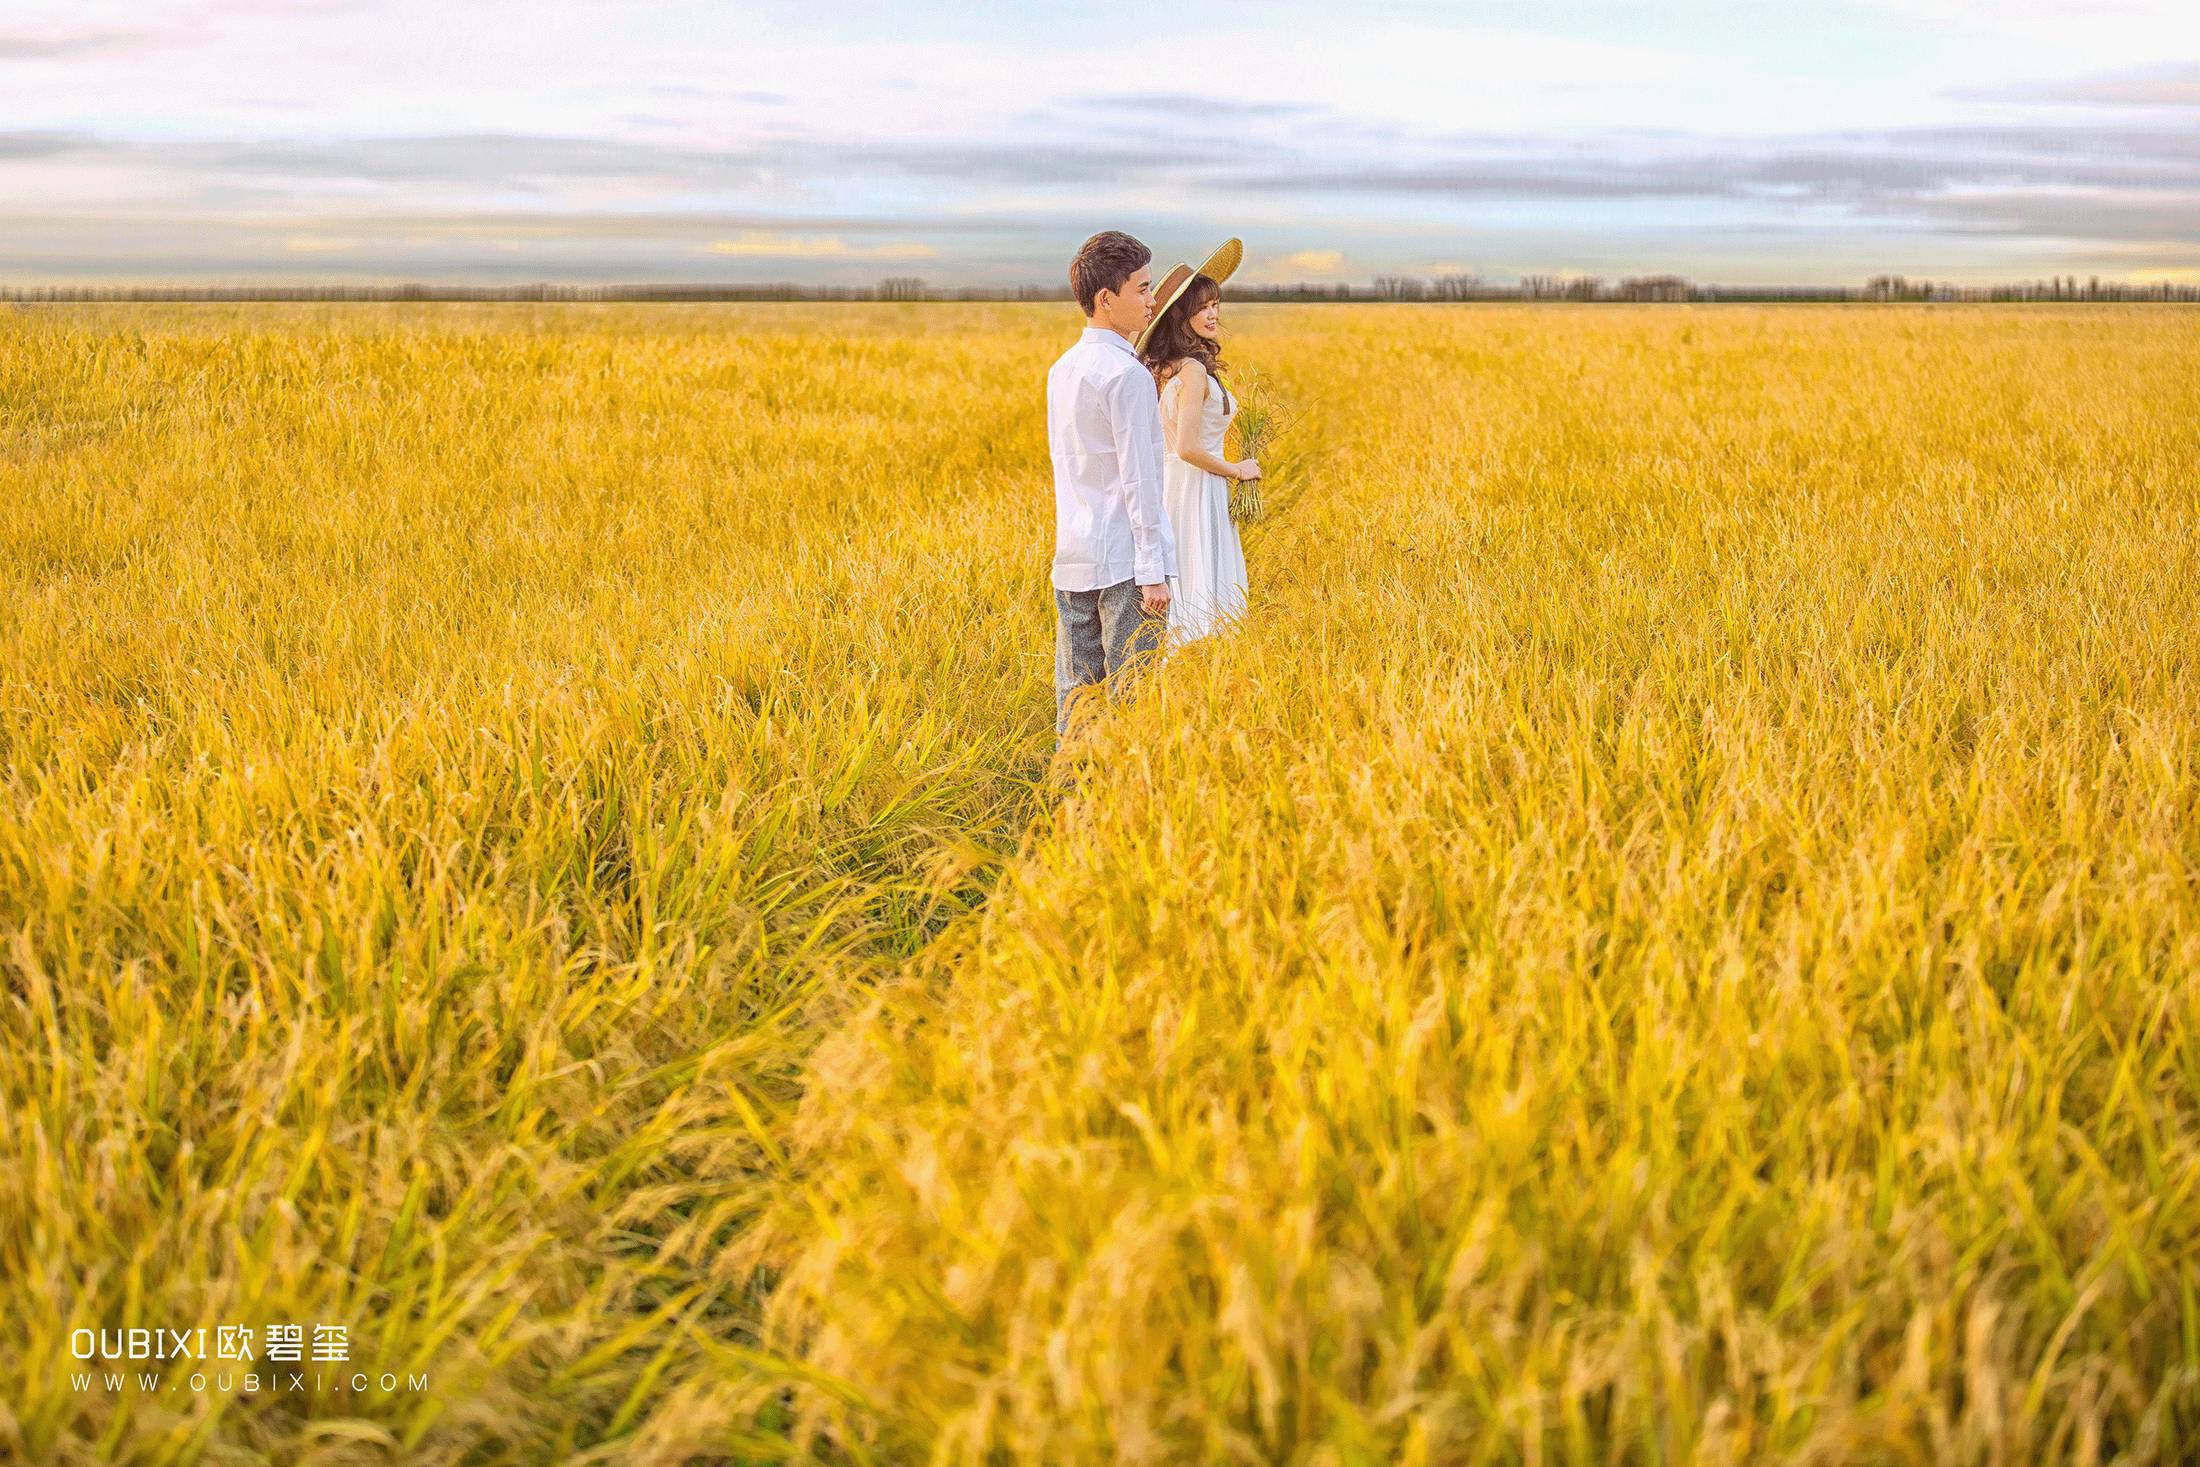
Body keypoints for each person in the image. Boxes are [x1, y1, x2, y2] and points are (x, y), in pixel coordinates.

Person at [1047, 230, 1176, 743]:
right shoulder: (1127, 375)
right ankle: (1122, 811)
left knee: (1076, 705)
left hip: (1073, 558)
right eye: (1142, 289)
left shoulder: (1063, 369)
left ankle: (1070, 809)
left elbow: (1068, 466)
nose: (1151, 301)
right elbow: (1140, 480)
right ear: (1107, 299)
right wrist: (1154, 572)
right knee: (1132, 705)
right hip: (1126, 565)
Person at [1136, 238, 1255, 645]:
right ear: (1180, 316)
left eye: (1216, 305)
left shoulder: (1164, 368)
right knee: (1204, 588)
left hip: (1174, 486)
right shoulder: (1191, 371)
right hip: (1198, 484)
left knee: (1186, 578)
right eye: (1202, 307)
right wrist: (1237, 469)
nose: (1213, 314)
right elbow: (1187, 446)